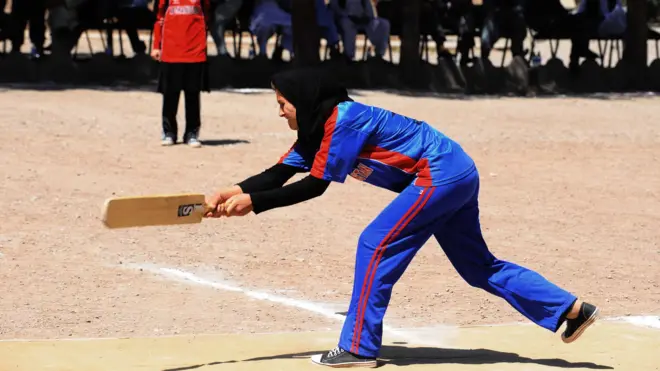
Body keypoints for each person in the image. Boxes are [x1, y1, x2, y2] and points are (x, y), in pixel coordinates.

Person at [203, 68, 600, 368]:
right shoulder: (317, 128)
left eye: (282, 104)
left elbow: (315, 186)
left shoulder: (343, 121)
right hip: (455, 171)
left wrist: (255, 203)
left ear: (302, 100)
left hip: (438, 175)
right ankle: (570, 308)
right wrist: (234, 191)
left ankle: (358, 347)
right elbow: (279, 174)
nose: (280, 112)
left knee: (375, 244)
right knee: (478, 267)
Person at [151, 0, 211, 148]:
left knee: (192, 93)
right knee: (170, 93)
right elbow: (159, 19)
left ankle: (191, 133)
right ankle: (169, 133)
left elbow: (207, 15)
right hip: (171, 50)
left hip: (195, 49)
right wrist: (156, 46)